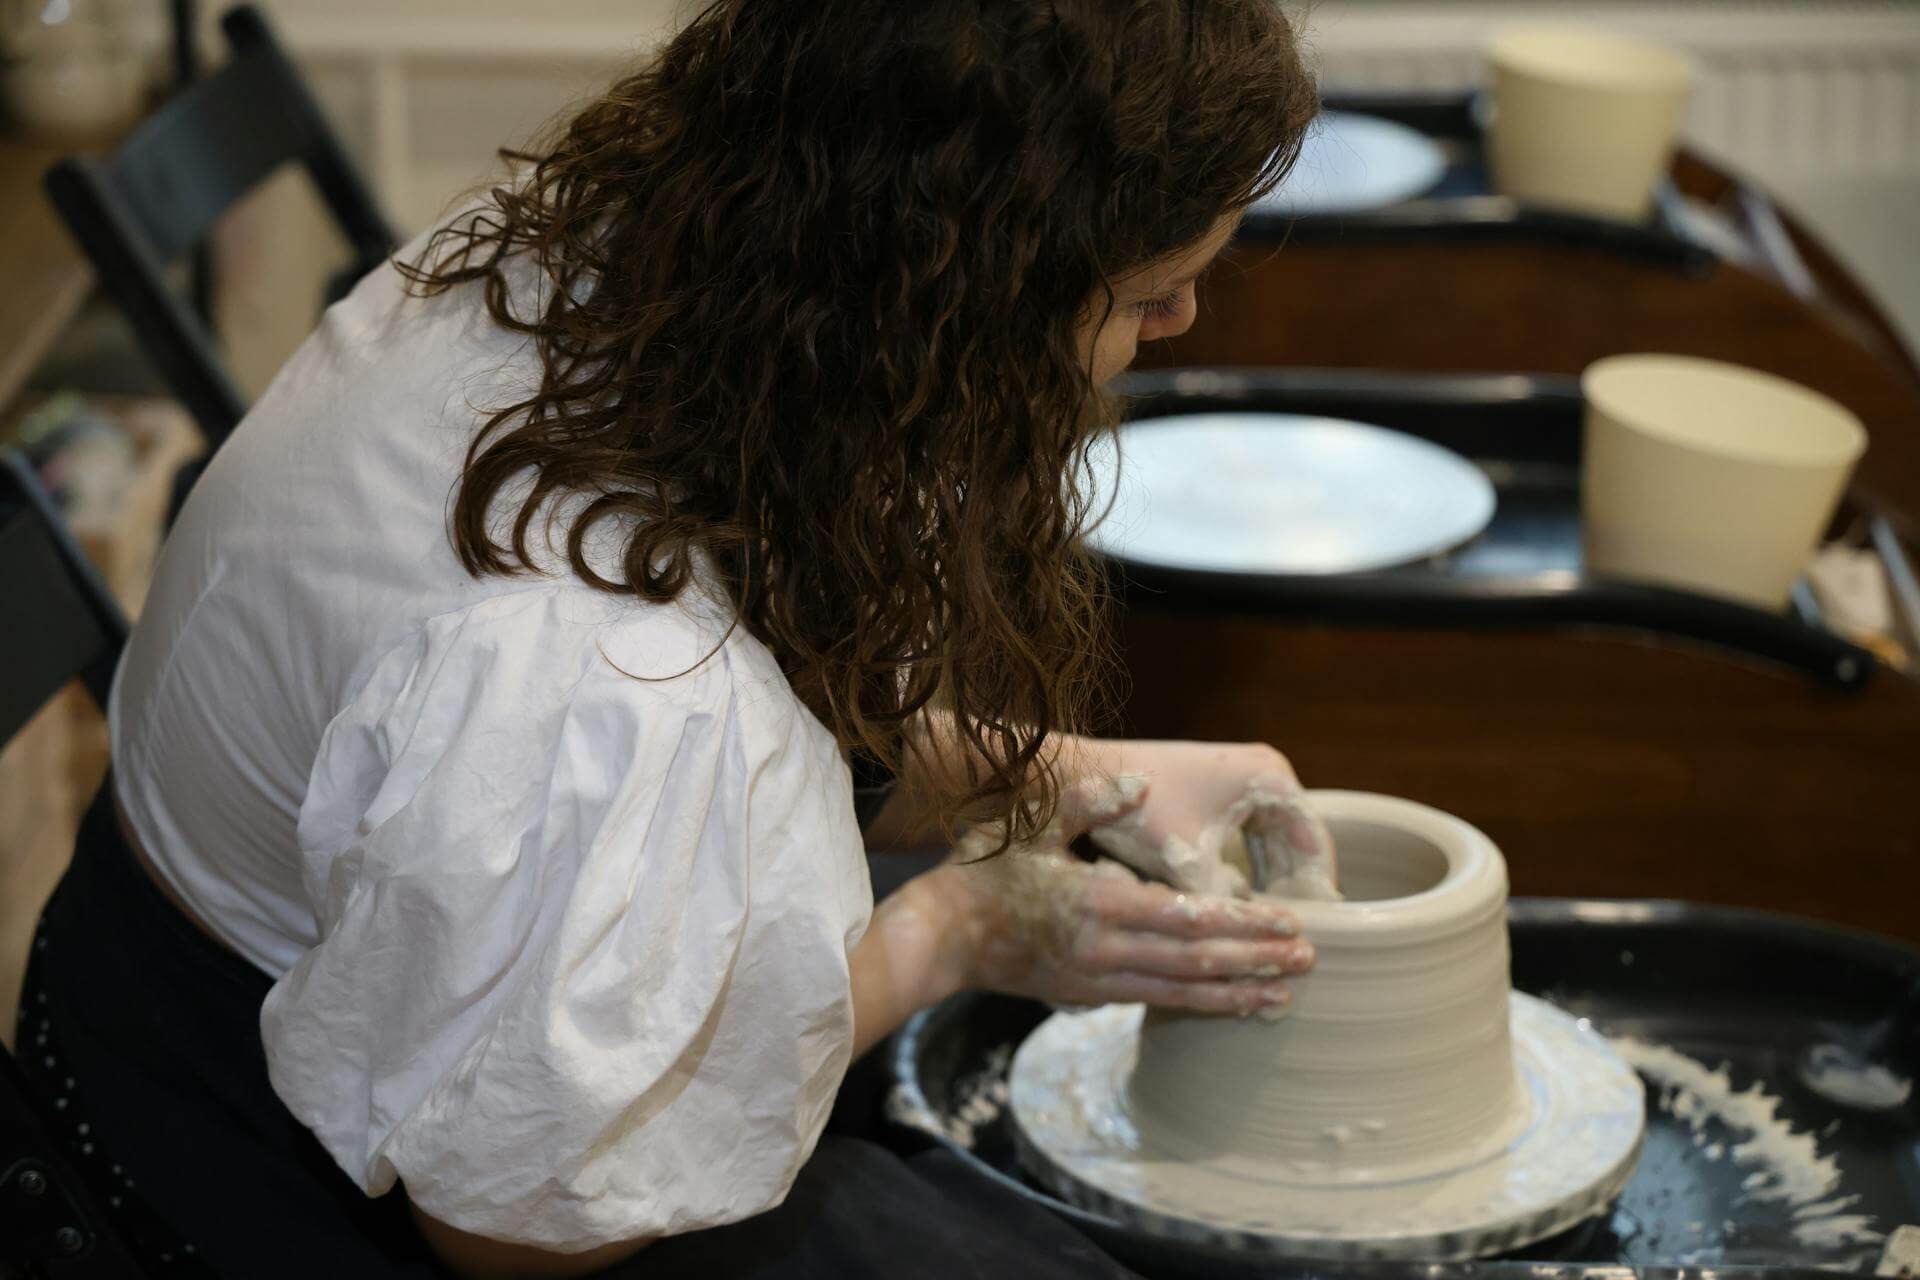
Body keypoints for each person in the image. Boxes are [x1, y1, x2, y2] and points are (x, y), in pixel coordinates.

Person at [18, 1, 1324, 1275]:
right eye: (1152, 292)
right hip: (243, 1165)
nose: (1181, 328)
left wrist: (1065, 775)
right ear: (964, 287)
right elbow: (514, 1220)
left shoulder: (652, 255)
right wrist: (957, 934)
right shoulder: (609, 662)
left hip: (333, 965)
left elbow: (749, 745)